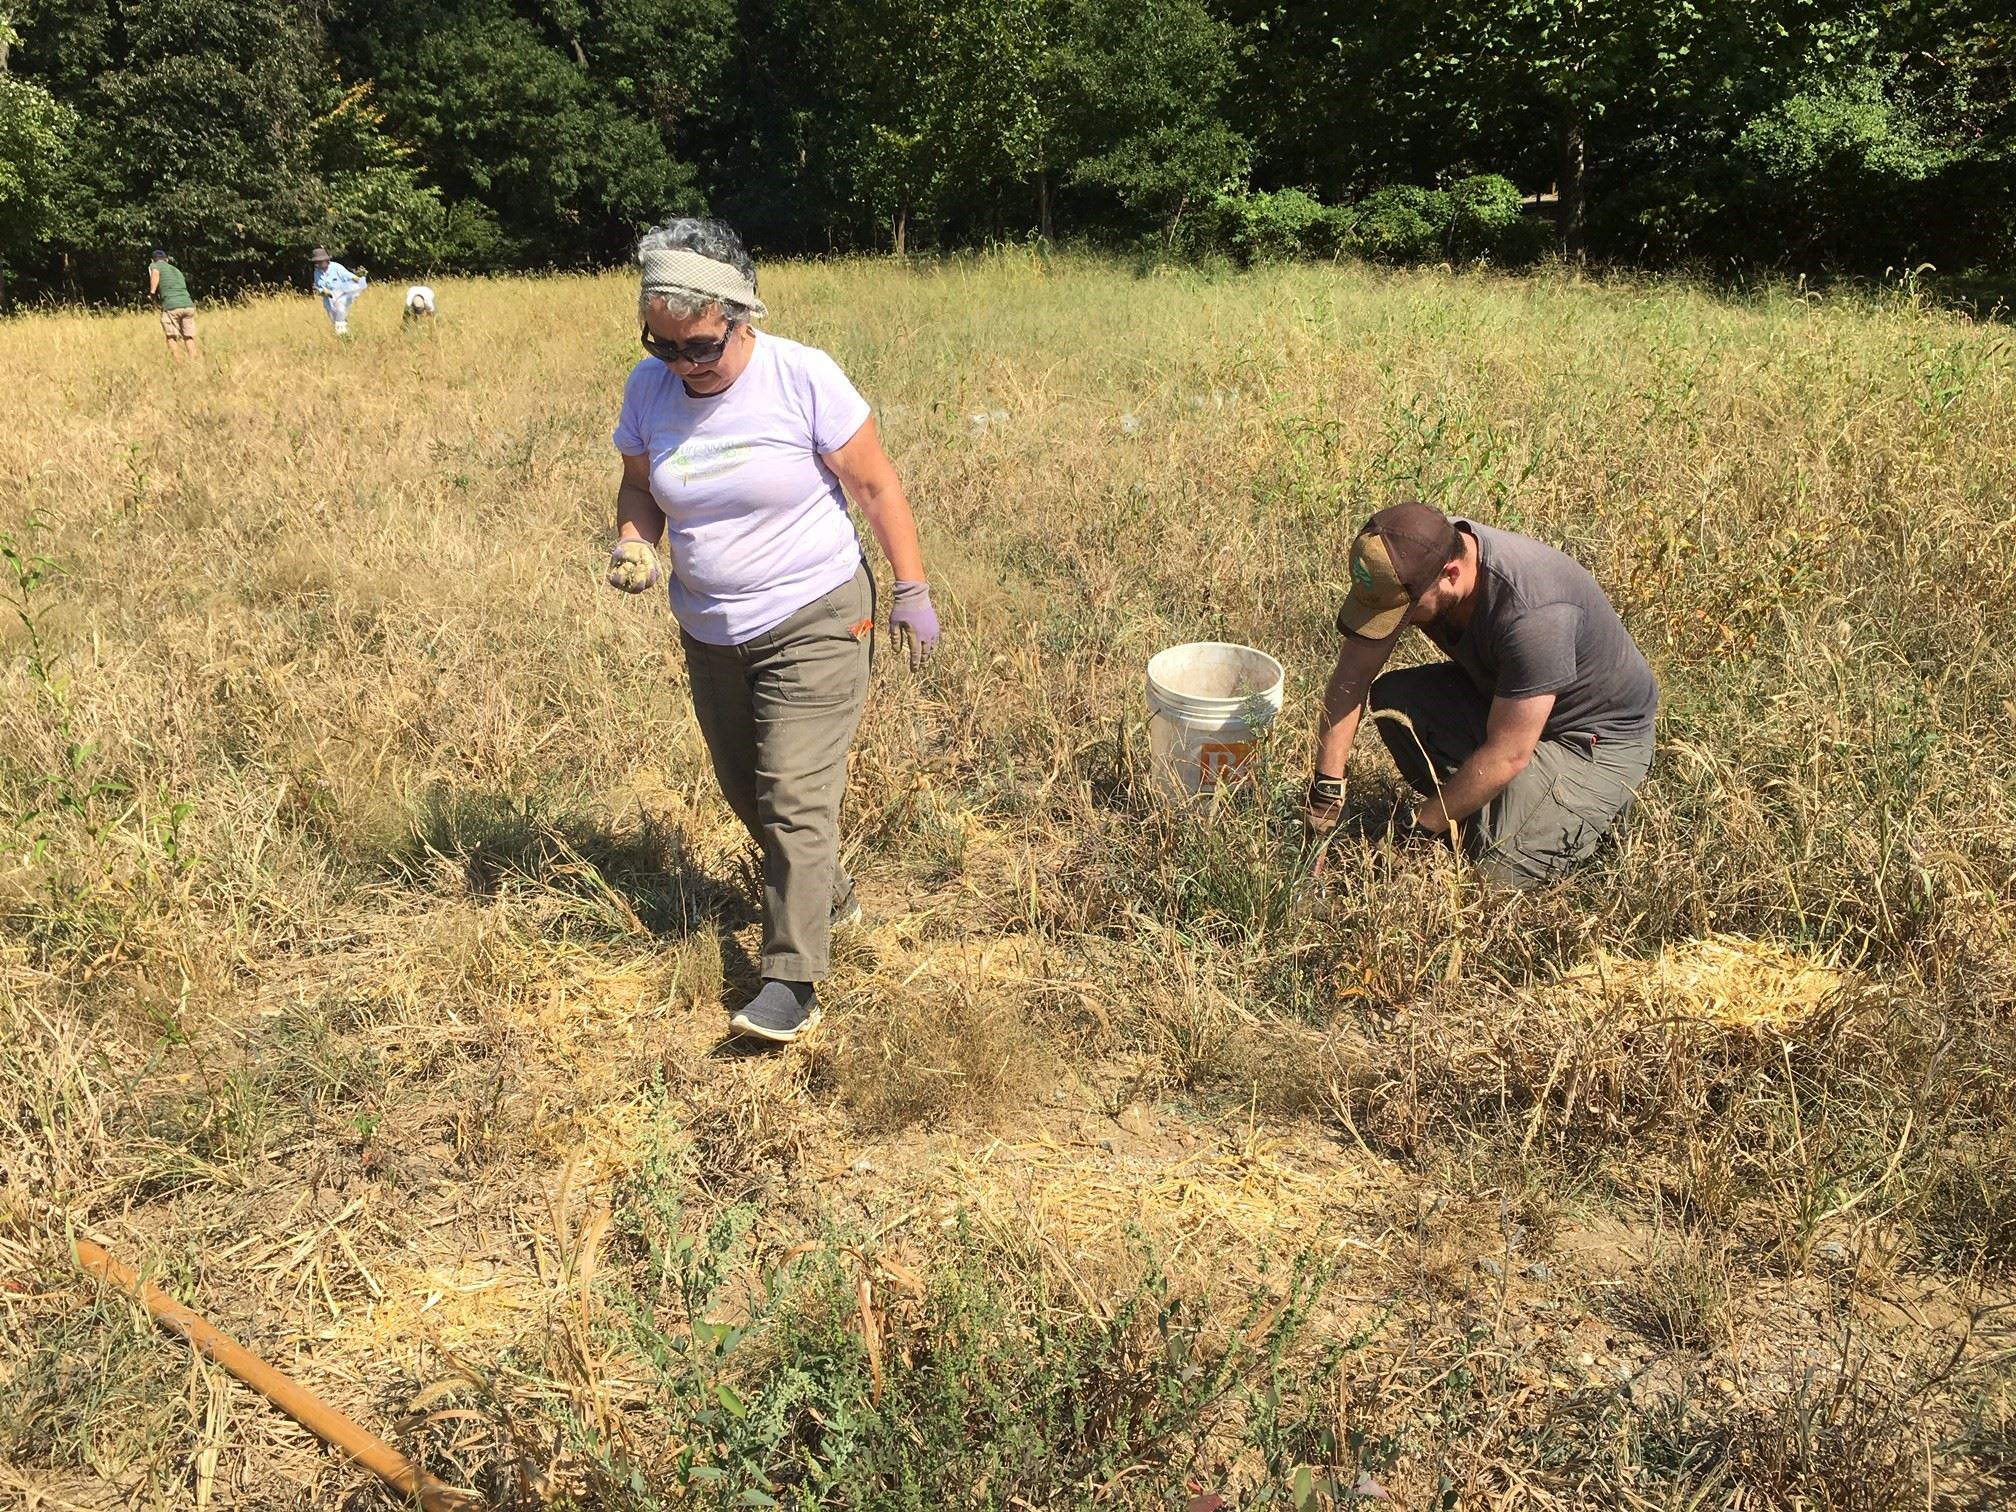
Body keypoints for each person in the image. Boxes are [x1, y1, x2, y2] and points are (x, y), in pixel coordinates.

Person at [607, 216, 941, 1045]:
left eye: (700, 348)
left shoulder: (802, 378)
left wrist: (912, 586)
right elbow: (641, 489)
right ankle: (827, 893)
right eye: (664, 347)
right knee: (747, 791)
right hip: (711, 629)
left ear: (740, 318)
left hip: (817, 614)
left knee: (795, 796)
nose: (683, 365)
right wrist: (632, 541)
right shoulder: (648, 392)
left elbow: (876, 486)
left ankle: (790, 980)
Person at [1306, 500, 1658, 888]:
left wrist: (1416, 830)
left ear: (1451, 574)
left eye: (1405, 612)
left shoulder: (1534, 613)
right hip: (1506, 704)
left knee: (1493, 875)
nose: (1398, 624)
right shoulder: (1416, 561)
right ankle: (1501, 806)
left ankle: (1592, 805)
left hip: (1593, 740)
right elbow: (1352, 676)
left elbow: (1507, 754)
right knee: (1396, 700)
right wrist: (1325, 791)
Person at [147, 249, 197, 364]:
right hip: (188, 305)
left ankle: (178, 363)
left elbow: (155, 273)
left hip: (171, 306)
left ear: (152, 260)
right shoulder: (176, 270)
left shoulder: (154, 265)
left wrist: (152, 294)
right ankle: (194, 362)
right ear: (167, 259)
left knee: (171, 336)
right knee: (188, 336)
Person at [309, 247, 368, 335]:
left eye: (321, 261)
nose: (319, 264)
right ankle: (346, 338)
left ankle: (345, 339)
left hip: (342, 299)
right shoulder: (317, 271)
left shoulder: (336, 267)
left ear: (326, 259)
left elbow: (348, 276)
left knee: (339, 323)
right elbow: (318, 287)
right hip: (329, 303)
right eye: (317, 262)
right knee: (335, 323)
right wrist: (323, 292)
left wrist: (357, 279)